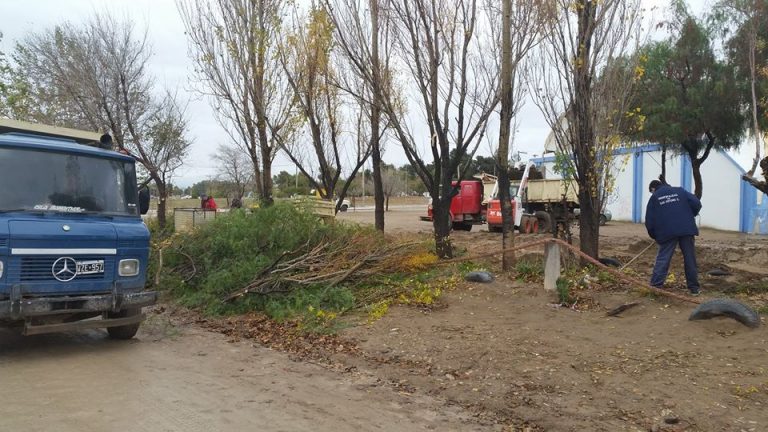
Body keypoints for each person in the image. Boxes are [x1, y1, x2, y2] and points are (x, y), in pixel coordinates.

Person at [645, 179, 702, 295]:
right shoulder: (680, 191)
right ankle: (694, 288)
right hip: (686, 229)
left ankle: (656, 287)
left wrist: (655, 236)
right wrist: (691, 214)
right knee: (690, 258)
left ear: (653, 189)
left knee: (663, 258)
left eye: (651, 192)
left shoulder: (655, 197)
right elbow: (697, 203)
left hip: (667, 232)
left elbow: (649, 221)